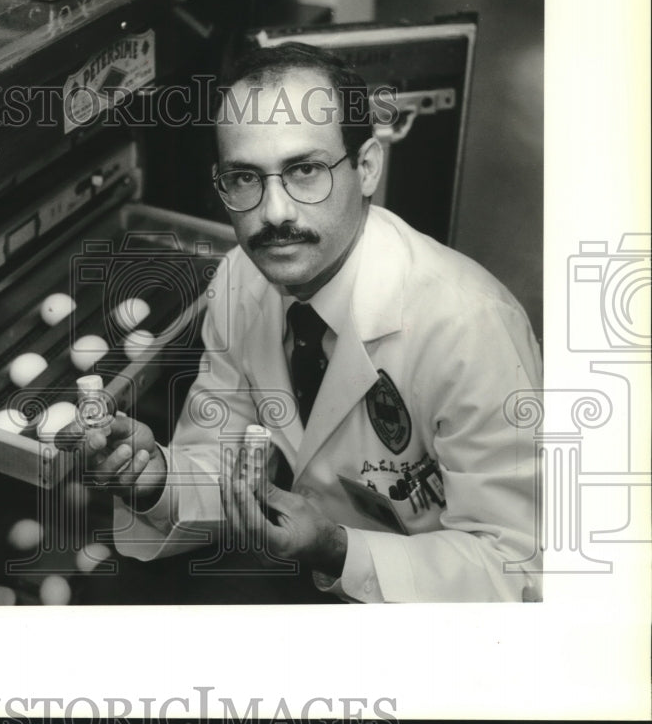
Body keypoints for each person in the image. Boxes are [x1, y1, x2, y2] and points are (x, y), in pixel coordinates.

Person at [80, 42, 543, 603]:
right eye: (245, 178)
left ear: (367, 167)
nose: (274, 213)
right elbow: (223, 460)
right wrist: (157, 479)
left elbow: (518, 569)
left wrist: (339, 549)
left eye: (305, 170)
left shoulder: (471, 329)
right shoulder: (239, 279)